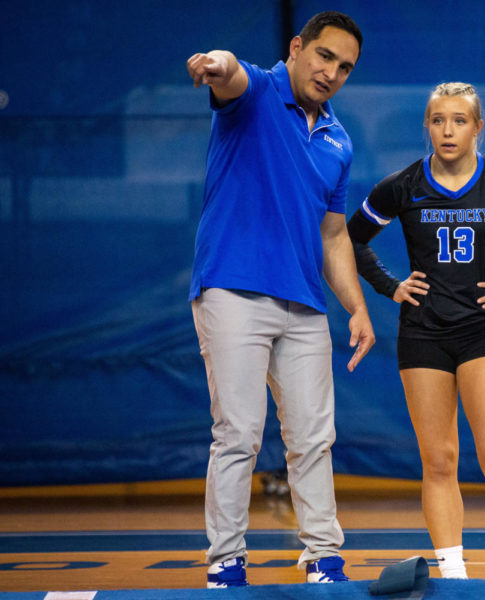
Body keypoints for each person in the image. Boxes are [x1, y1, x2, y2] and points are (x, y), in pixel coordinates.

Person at [347, 82, 485, 580]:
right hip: (422, 333)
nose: (448, 130)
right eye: (438, 120)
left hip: (481, 332)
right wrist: (389, 285)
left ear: (478, 127)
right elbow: (350, 238)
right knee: (439, 459)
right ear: (426, 126)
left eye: (459, 120)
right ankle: (453, 575)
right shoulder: (401, 186)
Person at [185, 11, 374, 588]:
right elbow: (229, 73)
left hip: (305, 304)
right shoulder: (260, 90)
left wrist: (358, 305)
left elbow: (334, 232)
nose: (331, 72)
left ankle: (322, 556)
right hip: (232, 290)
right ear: (296, 48)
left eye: (344, 67)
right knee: (238, 432)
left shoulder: (338, 139)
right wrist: (214, 63)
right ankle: (225, 561)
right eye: (324, 57)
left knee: (314, 437)